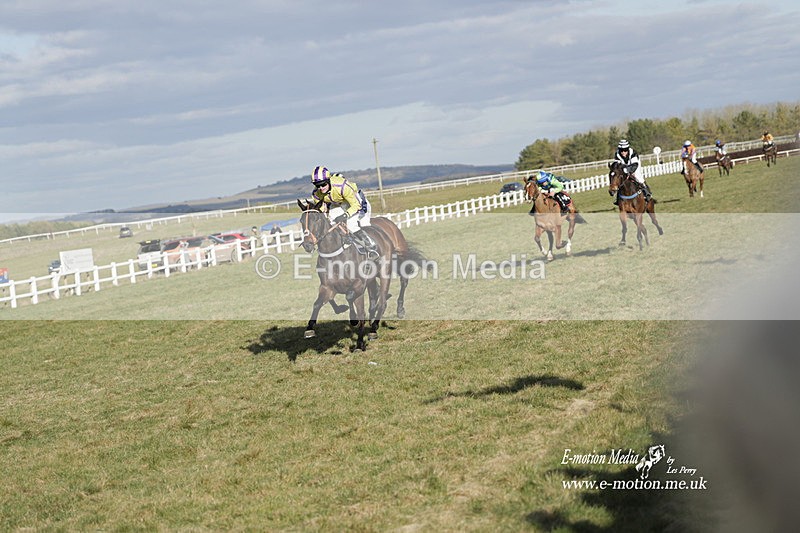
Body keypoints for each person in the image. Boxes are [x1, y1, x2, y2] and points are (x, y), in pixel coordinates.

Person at [309, 166, 375, 252]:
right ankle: (346, 240)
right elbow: (323, 211)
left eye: (323, 184)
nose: (321, 188)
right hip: (339, 203)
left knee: (352, 224)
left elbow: (356, 205)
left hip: (357, 202)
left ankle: (371, 246)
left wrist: (345, 215)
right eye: (317, 185)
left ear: (328, 181)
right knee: (331, 221)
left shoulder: (342, 186)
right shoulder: (316, 194)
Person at [613, 139, 652, 204]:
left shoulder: (633, 153)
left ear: (627, 149)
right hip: (624, 167)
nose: (623, 152)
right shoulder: (617, 154)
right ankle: (618, 198)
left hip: (635, 167)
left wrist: (627, 171)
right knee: (620, 180)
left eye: (625, 150)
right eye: (621, 150)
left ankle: (647, 193)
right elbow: (617, 165)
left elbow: (634, 165)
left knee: (639, 178)